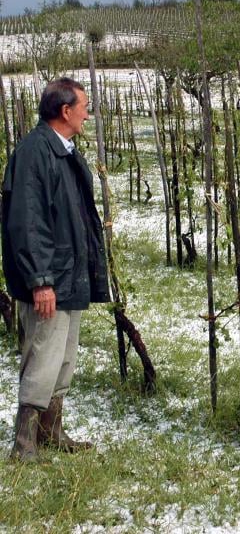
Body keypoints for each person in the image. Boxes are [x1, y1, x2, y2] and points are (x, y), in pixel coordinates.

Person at [2, 77, 110, 462]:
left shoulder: (63, 150)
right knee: (43, 354)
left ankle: (52, 430)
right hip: (50, 278)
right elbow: (27, 223)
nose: (87, 113)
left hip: (70, 273)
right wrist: (40, 281)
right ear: (65, 111)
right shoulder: (35, 153)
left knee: (63, 356)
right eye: (84, 105)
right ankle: (24, 443)